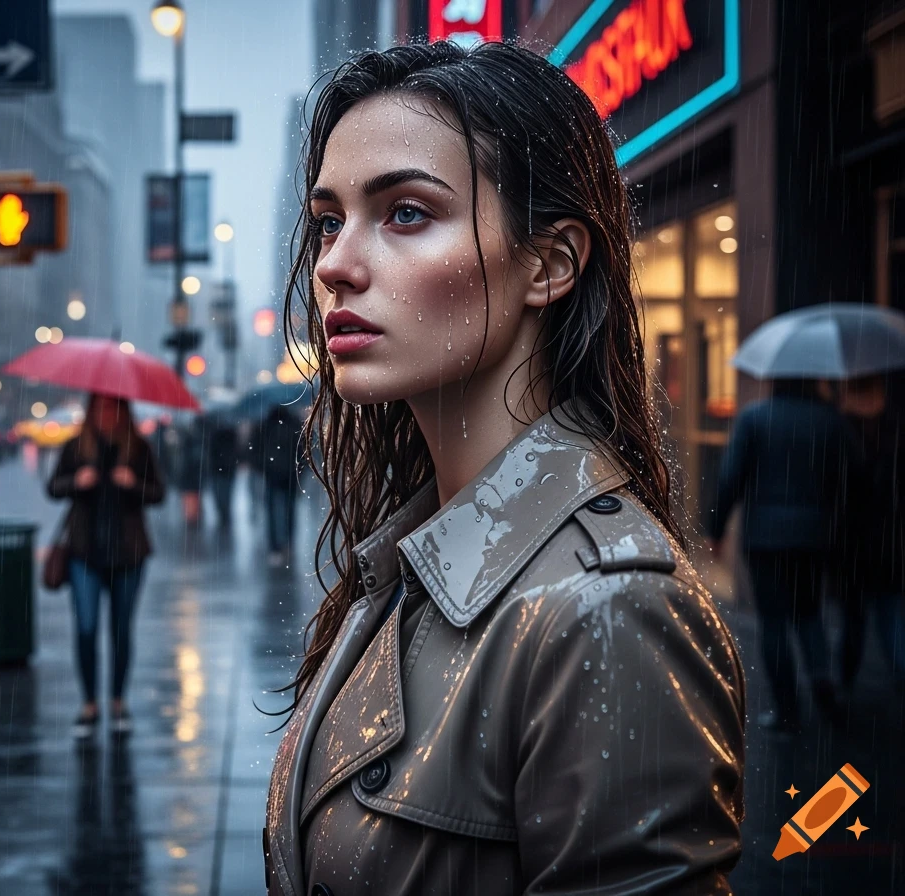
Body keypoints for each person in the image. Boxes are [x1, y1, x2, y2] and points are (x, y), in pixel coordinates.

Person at [263, 42, 745, 896]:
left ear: (550, 264)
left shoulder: (606, 610)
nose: (334, 264)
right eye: (330, 220)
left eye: (406, 212)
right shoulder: (406, 561)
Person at [708, 379, 858, 732]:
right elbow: (850, 479)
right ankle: (823, 683)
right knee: (808, 613)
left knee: (773, 621)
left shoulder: (755, 418)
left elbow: (731, 476)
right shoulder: (830, 421)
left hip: (766, 537)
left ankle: (786, 708)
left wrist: (716, 527)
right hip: (812, 536)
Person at [48, 393, 165, 737]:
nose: (107, 415)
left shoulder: (138, 448)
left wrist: (134, 484)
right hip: (84, 553)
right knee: (86, 628)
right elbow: (53, 487)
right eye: (101, 409)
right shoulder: (75, 447)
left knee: (120, 630)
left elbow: (158, 493)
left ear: (124, 412)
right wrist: (76, 481)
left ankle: (117, 701)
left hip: (128, 555)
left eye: (114, 409)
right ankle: (89, 704)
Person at [835, 375, 905, 692]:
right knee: (889, 615)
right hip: (890, 540)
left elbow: (839, 490)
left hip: (853, 542)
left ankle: (844, 682)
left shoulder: (842, 430)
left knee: (854, 618)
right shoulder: (893, 429)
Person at [257, 403, 304, 566]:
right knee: (287, 510)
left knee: (275, 511)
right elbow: (301, 449)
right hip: (286, 474)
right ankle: (285, 544)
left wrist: (264, 466)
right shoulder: (292, 423)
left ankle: (277, 547)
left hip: (276, 475)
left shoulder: (267, 424)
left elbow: (258, 449)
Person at [206, 417, 240, 528]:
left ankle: (224, 515)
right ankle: (224, 516)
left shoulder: (217, 434)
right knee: (224, 495)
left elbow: (212, 452)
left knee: (221, 495)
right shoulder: (231, 434)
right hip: (225, 469)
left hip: (221, 469)